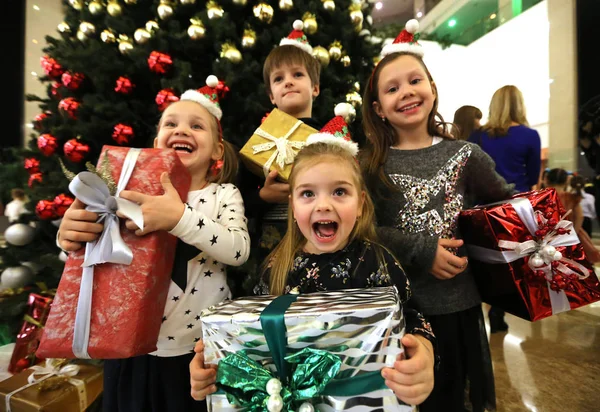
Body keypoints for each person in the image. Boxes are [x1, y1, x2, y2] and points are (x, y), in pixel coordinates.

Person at [190, 111, 436, 407]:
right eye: (308, 193)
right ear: (292, 206)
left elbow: (411, 316)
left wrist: (423, 352)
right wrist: (213, 361)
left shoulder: (375, 260)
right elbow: (246, 333)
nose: (323, 205)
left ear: (360, 204)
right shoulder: (276, 266)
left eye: (339, 192)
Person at [57, 76, 250, 412]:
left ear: (218, 150)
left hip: (199, 354)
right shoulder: (125, 192)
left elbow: (238, 250)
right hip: (129, 351)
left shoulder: (223, 194)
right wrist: (70, 241)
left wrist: (180, 218)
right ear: (156, 142)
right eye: (170, 123)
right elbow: (98, 261)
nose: (181, 130)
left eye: (197, 125)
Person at [360, 20, 515, 412]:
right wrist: (421, 249)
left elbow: (507, 207)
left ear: (432, 88)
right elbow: (362, 229)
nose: (406, 92)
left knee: (452, 400)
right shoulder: (367, 165)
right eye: (392, 88)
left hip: (458, 308)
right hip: (398, 310)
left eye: (415, 81)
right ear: (378, 107)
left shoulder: (465, 155)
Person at [236, 21, 322, 294]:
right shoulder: (259, 141)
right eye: (278, 78)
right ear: (272, 96)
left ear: (315, 88)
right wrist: (264, 197)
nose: (288, 81)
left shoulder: (329, 136)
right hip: (271, 246)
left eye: (298, 74)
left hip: (321, 238)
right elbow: (240, 198)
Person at [468, 85, 542, 332]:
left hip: (483, 208)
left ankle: (483, 313)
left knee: (487, 261)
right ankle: (502, 312)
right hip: (516, 207)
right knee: (513, 262)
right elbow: (532, 176)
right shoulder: (530, 136)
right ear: (519, 105)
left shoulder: (479, 136)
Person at [545, 169, 600, 263]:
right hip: (568, 234)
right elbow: (580, 216)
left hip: (545, 237)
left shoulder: (542, 197)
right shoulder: (571, 197)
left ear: (546, 180)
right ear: (566, 181)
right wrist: (573, 233)